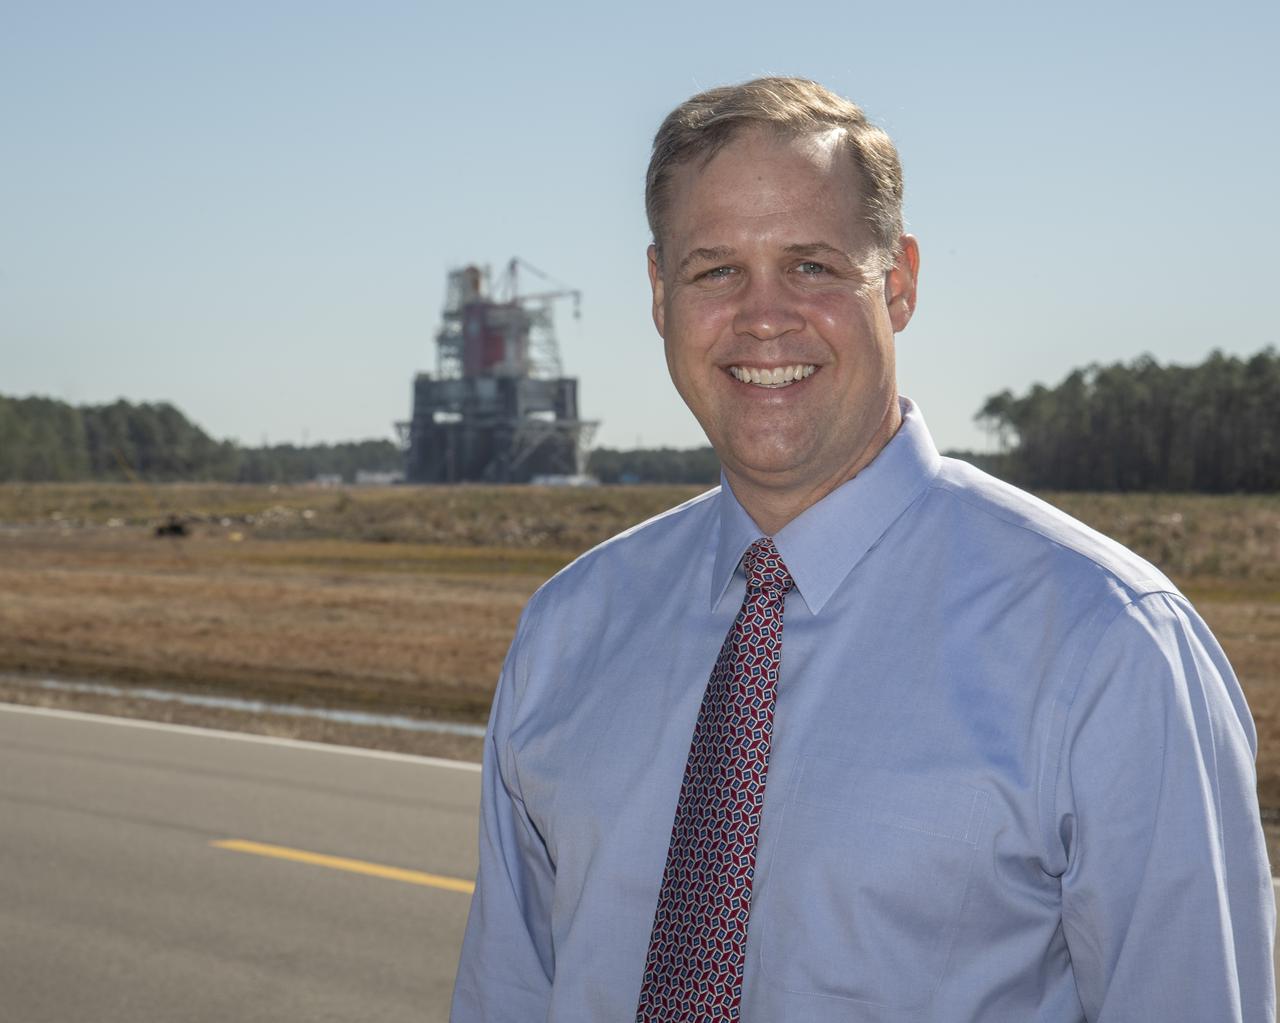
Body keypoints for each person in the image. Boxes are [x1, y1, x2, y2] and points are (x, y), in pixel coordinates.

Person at [450, 77, 1275, 1021]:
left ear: (900, 280)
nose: (764, 317)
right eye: (715, 269)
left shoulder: (1108, 648)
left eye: (811, 265)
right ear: (658, 294)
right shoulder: (569, 632)